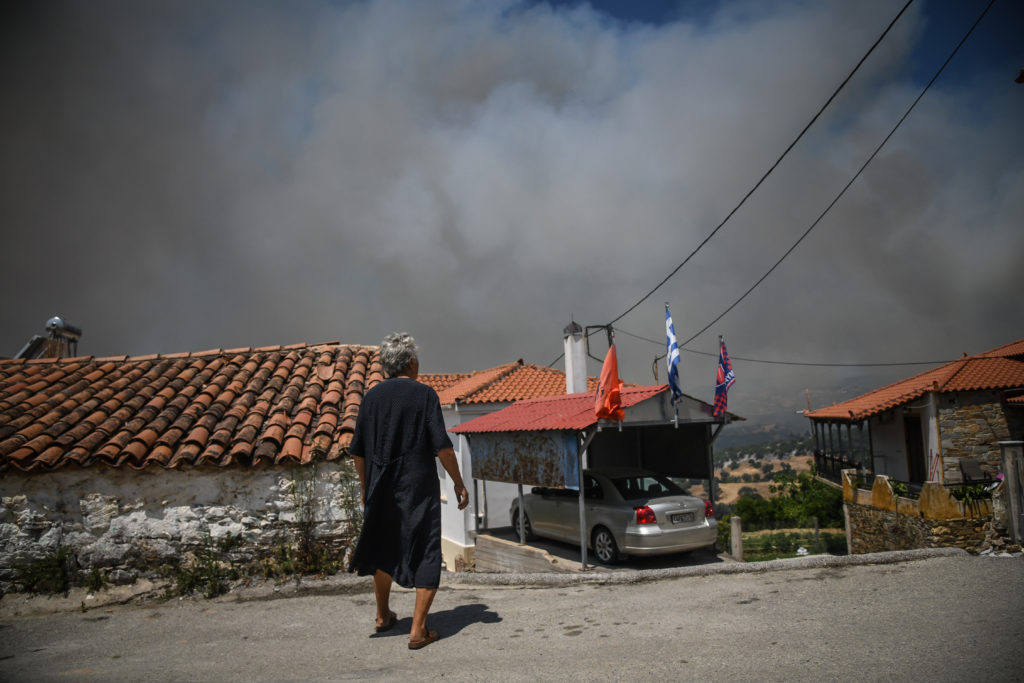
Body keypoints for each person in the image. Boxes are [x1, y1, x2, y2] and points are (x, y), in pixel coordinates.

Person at [347, 332, 469, 650]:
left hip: (380, 486)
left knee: (383, 547)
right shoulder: (424, 394)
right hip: (418, 490)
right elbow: (442, 446)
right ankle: (418, 629)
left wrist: (365, 488)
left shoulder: (370, 398)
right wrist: (458, 482)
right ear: (412, 362)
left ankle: (383, 615)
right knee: (427, 550)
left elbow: (357, 451)